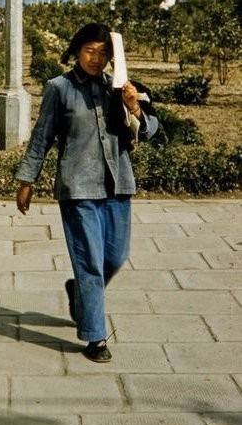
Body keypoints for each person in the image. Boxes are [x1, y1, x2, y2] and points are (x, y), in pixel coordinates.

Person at [15, 22, 158, 363]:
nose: (96, 59)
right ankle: (95, 336)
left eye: (103, 53)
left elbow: (151, 132)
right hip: (78, 187)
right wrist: (27, 180)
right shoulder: (59, 88)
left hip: (117, 184)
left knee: (115, 257)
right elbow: (42, 136)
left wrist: (134, 107)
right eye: (89, 52)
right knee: (91, 263)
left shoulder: (118, 88)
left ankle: (79, 292)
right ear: (77, 51)